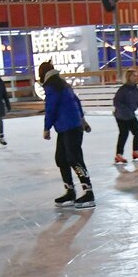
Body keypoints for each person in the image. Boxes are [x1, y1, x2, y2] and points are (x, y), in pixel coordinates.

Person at [40, 60, 96, 209]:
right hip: (67, 128)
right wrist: (83, 120)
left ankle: (88, 192)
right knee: (61, 158)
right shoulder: (62, 84)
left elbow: (50, 109)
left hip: (70, 128)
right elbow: (76, 102)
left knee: (74, 159)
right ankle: (70, 191)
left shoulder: (53, 88)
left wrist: (46, 128)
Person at [112, 69, 138, 164]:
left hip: (130, 115)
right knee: (124, 134)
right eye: (134, 75)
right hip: (121, 116)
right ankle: (119, 154)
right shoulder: (123, 89)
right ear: (129, 77)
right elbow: (116, 102)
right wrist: (126, 110)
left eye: (136, 75)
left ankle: (135, 151)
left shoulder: (135, 89)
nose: (136, 77)